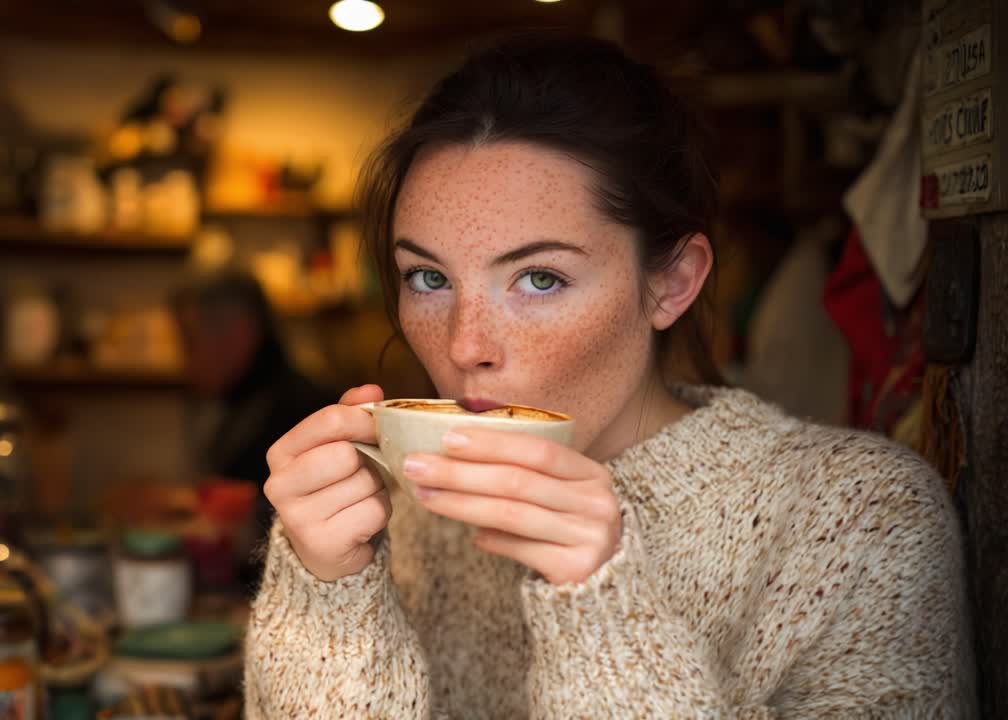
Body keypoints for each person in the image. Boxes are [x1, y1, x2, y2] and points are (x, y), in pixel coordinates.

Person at [243, 33, 974, 718]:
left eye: (538, 278)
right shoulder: (396, 513)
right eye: (428, 277)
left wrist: (603, 611)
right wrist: (327, 590)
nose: (466, 346)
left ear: (671, 283)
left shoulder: (863, 518)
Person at [169, 270, 337, 578]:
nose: (184, 360)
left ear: (237, 335)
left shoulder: (303, 410)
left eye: (190, 342)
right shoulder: (243, 403)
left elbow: (310, 535)